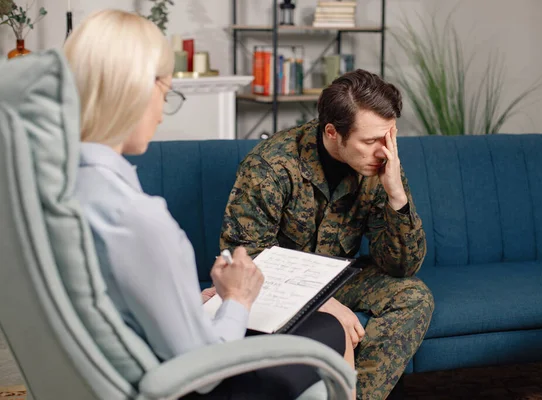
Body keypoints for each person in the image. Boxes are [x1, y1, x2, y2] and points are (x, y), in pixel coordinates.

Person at [65, 9, 355, 400]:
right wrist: (236, 298)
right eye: (166, 90)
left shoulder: (62, 192)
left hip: (111, 375)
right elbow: (203, 370)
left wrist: (198, 300)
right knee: (327, 332)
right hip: (181, 384)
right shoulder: (136, 218)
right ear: (135, 91)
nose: (162, 106)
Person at [221, 69, 435, 400]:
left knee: (414, 295)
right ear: (332, 132)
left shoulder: (383, 165)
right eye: (370, 141)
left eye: (389, 137)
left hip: (340, 278)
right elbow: (246, 259)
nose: (383, 151)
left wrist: (396, 196)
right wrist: (322, 303)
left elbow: (402, 267)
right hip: (275, 288)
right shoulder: (272, 165)